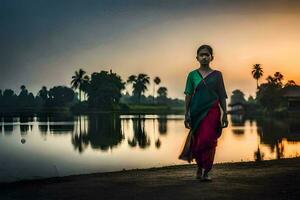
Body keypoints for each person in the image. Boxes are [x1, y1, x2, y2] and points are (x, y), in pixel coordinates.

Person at [179, 44, 228, 181]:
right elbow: (188, 95)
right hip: (196, 112)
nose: (204, 57)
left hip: (212, 112)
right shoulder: (192, 75)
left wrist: (225, 113)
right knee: (199, 141)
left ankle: (207, 171)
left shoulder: (218, 75)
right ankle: (200, 167)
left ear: (212, 57)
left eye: (207, 54)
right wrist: (186, 114)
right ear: (197, 58)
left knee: (209, 140)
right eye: (202, 55)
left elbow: (222, 95)